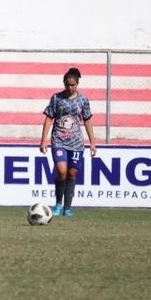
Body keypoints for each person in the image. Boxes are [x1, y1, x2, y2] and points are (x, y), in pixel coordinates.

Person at [39, 67, 97, 217]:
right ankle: (58, 204)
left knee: (72, 173)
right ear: (64, 83)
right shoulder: (56, 98)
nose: (69, 87)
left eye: (72, 85)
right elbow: (49, 118)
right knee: (62, 171)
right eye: (67, 85)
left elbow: (87, 120)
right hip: (59, 140)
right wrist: (43, 140)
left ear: (77, 84)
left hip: (76, 143)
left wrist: (92, 142)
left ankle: (68, 207)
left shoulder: (83, 100)